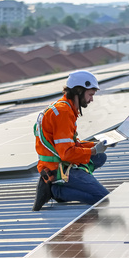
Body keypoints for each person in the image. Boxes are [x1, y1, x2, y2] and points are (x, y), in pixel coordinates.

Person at [32, 70, 110, 211]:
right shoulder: (63, 112)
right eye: (90, 95)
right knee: (103, 198)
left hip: (59, 162)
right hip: (58, 168)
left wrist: (97, 145)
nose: (91, 99)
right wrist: (92, 151)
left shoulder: (66, 107)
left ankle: (75, 182)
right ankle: (56, 191)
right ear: (79, 91)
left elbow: (71, 143)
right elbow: (67, 154)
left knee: (100, 156)